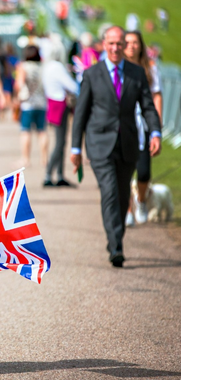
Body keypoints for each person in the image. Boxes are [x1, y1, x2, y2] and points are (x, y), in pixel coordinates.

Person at [69, 26, 162, 268]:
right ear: (104, 44)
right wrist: (76, 148)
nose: (115, 48)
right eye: (110, 43)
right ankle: (116, 246)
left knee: (122, 195)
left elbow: (148, 106)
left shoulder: (136, 73)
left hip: (128, 143)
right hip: (99, 144)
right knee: (110, 191)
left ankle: (115, 238)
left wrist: (155, 132)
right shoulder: (92, 74)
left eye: (119, 44)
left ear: (124, 46)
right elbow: (80, 114)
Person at [123, 30, 164, 226]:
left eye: (135, 42)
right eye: (128, 42)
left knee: (144, 171)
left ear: (141, 45)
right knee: (124, 170)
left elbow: (156, 95)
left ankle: (140, 200)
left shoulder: (150, 68)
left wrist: (157, 122)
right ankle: (128, 208)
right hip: (124, 123)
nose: (131, 46)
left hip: (144, 122)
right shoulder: (118, 68)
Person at [42, 37, 80, 188]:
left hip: (52, 103)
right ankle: (49, 173)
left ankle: (58, 174)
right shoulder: (57, 67)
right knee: (60, 143)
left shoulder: (47, 66)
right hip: (60, 104)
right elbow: (72, 86)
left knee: (60, 142)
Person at [12, 45, 48, 169]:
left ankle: (26, 159)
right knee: (42, 131)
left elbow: (19, 84)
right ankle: (44, 159)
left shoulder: (23, 66)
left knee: (25, 131)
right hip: (42, 102)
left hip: (27, 103)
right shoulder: (42, 67)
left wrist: (17, 97)